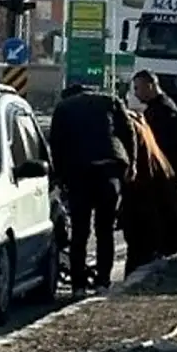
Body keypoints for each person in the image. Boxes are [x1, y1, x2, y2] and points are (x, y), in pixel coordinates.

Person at [49, 84, 136, 297]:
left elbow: (56, 144)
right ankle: (102, 282)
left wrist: (60, 177)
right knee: (105, 230)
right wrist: (131, 164)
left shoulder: (64, 107)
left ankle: (78, 286)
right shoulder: (110, 101)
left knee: (80, 231)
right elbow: (128, 132)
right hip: (109, 171)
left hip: (79, 173)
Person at [119, 110, 177, 274]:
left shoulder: (128, 126)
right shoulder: (137, 120)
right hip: (157, 186)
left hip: (145, 190)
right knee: (150, 242)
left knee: (140, 244)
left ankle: (136, 277)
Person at [133, 70, 177, 182]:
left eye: (137, 88)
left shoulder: (161, 111)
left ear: (149, 86)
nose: (136, 94)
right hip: (170, 168)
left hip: (165, 169)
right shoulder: (162, 107)